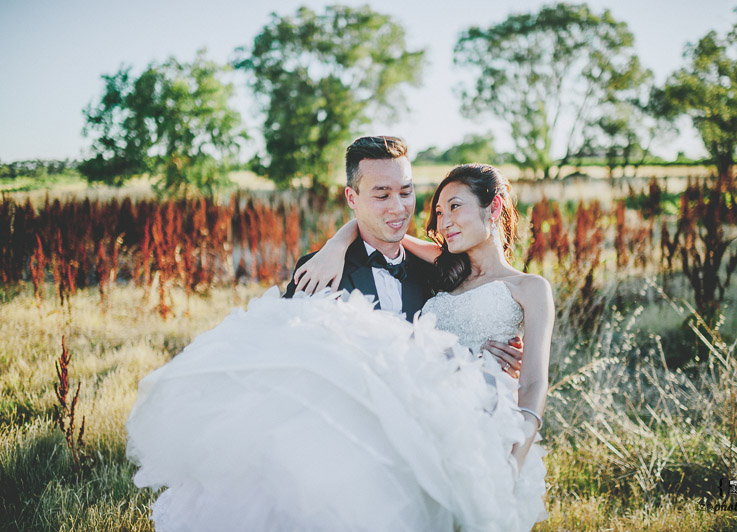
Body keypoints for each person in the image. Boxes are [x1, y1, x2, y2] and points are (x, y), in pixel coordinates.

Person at [126, 157, 552, 532]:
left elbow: (534, 383)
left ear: (493, 206)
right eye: (439, 212)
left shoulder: (509, 284)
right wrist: (334, 245)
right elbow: (384, 228)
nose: (443, 222)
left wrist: (512, 460)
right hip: (397, 418)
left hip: (475, 423)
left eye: (453, 207)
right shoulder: (441, 266)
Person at [286, 136, 524, 376]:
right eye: (382, 196)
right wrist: (337, 243)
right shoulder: (320, 270)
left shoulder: (439, 270)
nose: (398, 208)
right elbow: (292, 357)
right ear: (351, 198)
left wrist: (487, 356)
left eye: (405, 192)